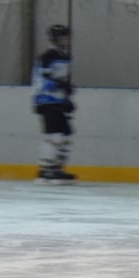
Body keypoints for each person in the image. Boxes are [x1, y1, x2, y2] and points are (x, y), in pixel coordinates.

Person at [31, 24, 77, 184]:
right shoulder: (48, 56)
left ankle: (56, 168)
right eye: (62, 37)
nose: (66, 40)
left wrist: (66, 99)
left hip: (56, 100)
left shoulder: (64, 56)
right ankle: (46, 170)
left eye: (67, 37)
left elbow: (60, 79)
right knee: (55, 135)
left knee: (66, 134)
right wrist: (60, 86)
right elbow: (43, 77)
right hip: (46, 100)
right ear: (54, 39)